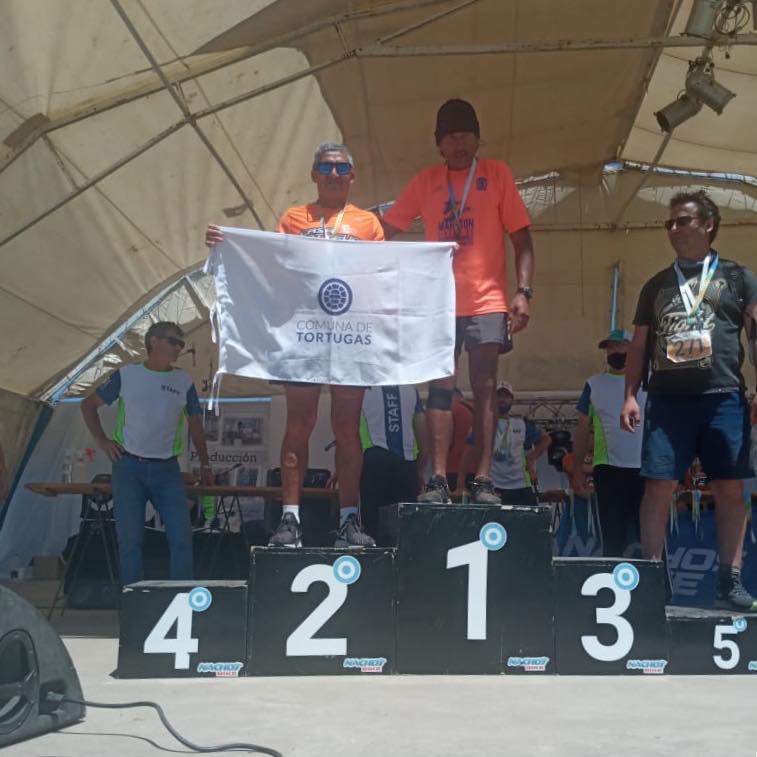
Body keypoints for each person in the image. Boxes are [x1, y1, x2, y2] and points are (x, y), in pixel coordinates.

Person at [206, 143, 383, 548]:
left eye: (342, 168)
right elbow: (269, 265)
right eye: (326, 167)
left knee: (347, 429)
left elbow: (381, 274)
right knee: (298, 425)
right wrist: (227, 244)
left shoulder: (368, 223)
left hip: (348, 335)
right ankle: (290, 519)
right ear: (314, 174)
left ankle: (349, 521)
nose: (334, 174)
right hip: (304, 334)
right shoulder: (294, 217)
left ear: (353, 176)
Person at [381, 99, 535, 505]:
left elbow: (522, 239)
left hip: (487, 300)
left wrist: (523, 291)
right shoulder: (425, 182)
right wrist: (339, 241)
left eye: (466, 134)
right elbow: (385, 229)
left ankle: (483, 479)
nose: (459, 143)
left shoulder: (497, 174)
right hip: (438, 302)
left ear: (478, 138)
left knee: (485, 388)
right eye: (451, 136)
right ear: (439, 144)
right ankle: (437, 479)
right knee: (440, 389)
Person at [621, 190, 757, 610]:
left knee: (730, 488)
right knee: (658, 486)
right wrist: (629, 395)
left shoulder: (738, 276)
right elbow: (639, 346)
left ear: (708, 225)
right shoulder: (656, 285)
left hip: (723, 397)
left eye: (683, 221)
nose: (674, 229)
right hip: (668, 401)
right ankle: (650, 580)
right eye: (670, 223)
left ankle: (729, 582)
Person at [81, 321, 213, 585]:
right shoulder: (126, 374)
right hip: (128, 466)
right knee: (130, 540)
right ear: (154, 341)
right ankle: (133, 600)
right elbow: (88, 405)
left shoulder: (184, 380)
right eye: (173, 341)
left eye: (181, 344)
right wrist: (102, 441)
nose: (178, 348)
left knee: (181, 536)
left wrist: (206, 464)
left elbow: (196, 424)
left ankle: (181, 596)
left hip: (167, 469)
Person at [574, 329, 646, 557]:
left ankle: (656, 578)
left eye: (620, 346)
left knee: (649, 536)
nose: (614, 352)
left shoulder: (648, 381)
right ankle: (611, 577)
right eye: (610, 348)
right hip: (609, 469)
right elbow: (582, 429)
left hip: (645, 468)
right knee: (612, 537)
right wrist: (578, 471)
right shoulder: (594, 384)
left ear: (632, 349)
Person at [348, 385, 427, 540]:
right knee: (404, 531)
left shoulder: (361, 386)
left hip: (372, 460)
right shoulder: (410, 389)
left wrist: (346, 468)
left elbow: (348, 431)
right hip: (407, 464)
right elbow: (425, 441)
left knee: (369, 531)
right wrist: (418, 470)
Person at [473, 382, 551, 506]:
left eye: (506, 396)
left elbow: (546, 439)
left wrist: (532, 458)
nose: (502, 399)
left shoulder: (521, 424)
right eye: (498, 395)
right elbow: (469, 448)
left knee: (529, 518)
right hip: (492, 485)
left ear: (512, 399)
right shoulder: (484, 423)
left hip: (520, 484)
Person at [446, 387, 473, 493]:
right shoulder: (475, 410)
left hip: (452, 470)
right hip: (475, 471)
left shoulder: (450, 409)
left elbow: (447, 441)